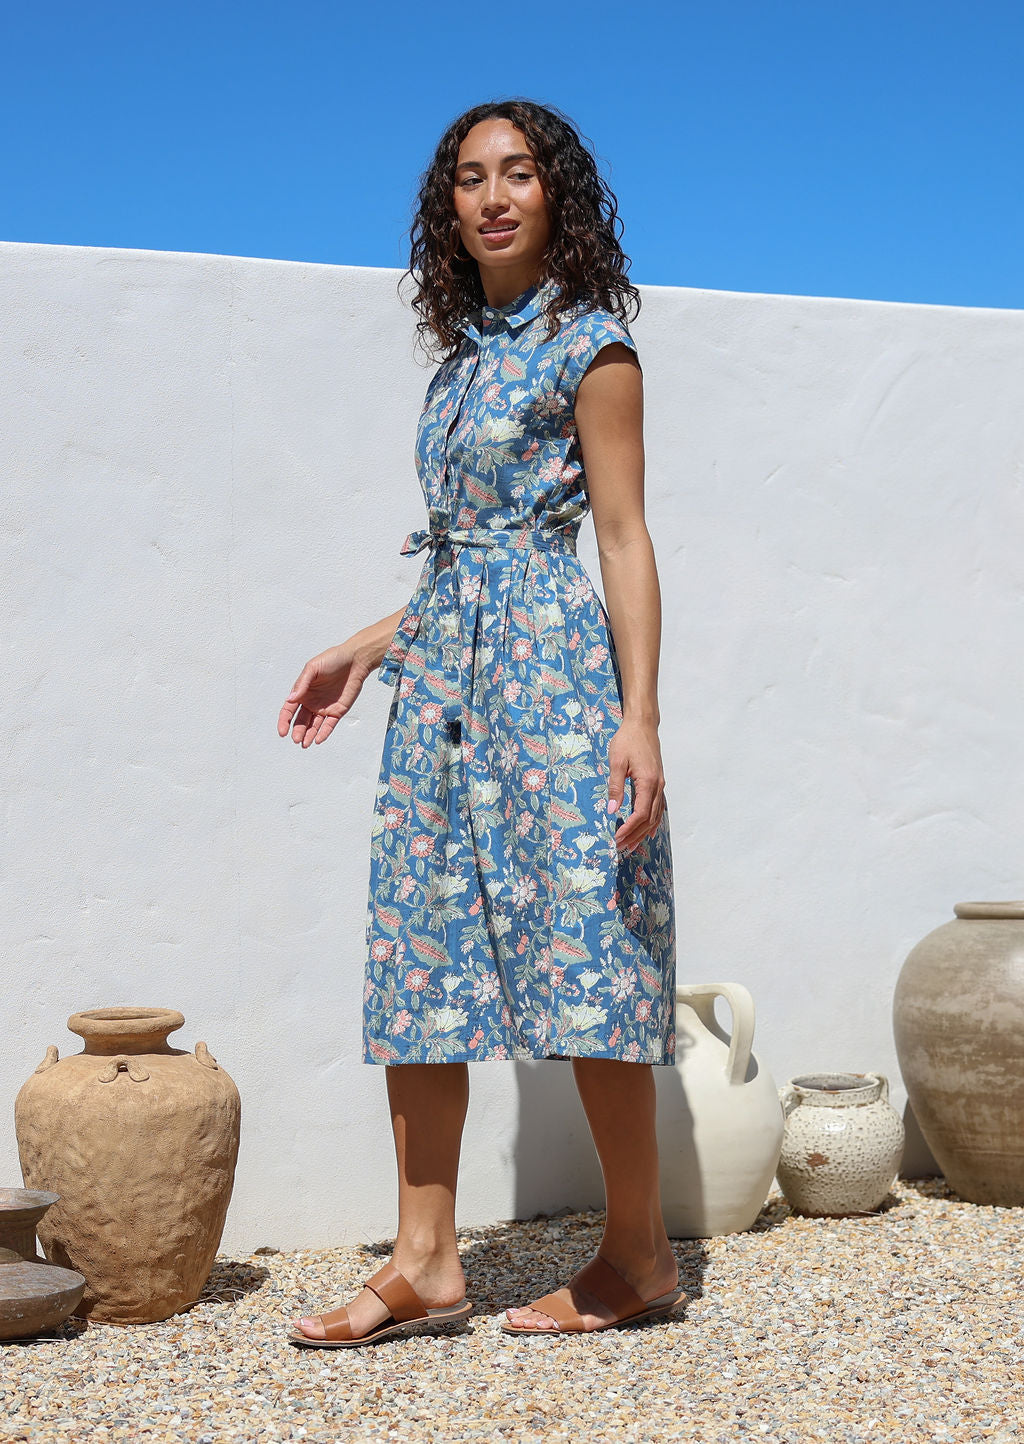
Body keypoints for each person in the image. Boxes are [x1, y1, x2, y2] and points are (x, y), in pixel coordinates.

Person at [278, 98, 679, 1345]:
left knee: (585, 949)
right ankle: (426, 1258)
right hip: (441, 687)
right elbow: (463, 566)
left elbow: (619, 536)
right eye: (468, 177)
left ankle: (638, 1252)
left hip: (555, 689)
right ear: (447, 207)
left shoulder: (591, 345)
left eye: (517, 173)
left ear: (557, 195)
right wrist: (364, 645)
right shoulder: (460, 362)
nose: (493, 194)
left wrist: (641, 716)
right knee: (422, 953)